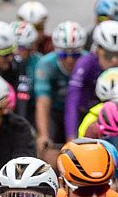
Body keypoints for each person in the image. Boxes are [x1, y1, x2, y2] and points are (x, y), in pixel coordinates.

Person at [34, 21, 88, 156]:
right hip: (54, 111)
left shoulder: (88, 61)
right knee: (45, 147)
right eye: (64, 54)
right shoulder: (46, 64)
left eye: (75, 55)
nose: (69, 60)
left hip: (80, 110)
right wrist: (43, 135)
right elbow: (42, 101)